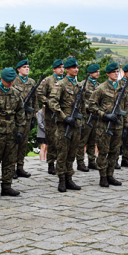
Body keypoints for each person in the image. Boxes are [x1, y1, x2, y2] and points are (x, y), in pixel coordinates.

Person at [0, 67, 26, 198]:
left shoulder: (16, 93)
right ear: (2, 79)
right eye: (8, 81)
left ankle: (7, 186)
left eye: (12, 81)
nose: (11, 83)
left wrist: (20, 130)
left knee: (9, 161)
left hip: (11, 132)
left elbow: (20, 112)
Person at [49, 58, 84, 192]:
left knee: (72, 152)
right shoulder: (61, 84)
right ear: (67, 70)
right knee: (62, 153)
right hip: (64, 125)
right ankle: (61, 180)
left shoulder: (80, 85)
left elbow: (83, 105)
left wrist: (82, 120)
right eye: (73, 67)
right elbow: (53, 103)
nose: (76, 70)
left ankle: (69, 178)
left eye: (77, 67)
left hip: (76, 124)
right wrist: (64, 117)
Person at [90, 62, 128, 187]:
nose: (116, 74)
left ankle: (110, 175)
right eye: (113, 72)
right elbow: (91, 105)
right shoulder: (101, 88)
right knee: (103, 151)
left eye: (117, 72)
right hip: (104, 126)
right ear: (107, 74)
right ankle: (103, 176)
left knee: (114, 151)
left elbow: (125, 106)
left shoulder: (122, 87)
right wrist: (104, 115)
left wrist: (126, 124)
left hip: (118, 125)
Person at [36, 59, 64, 175]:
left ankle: (61, 164)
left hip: (62, 114)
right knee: (52, 140)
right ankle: (51, 163)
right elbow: (39, 93)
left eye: (63, 67)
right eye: (59, 67)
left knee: (62, 139)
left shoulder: (65, 81)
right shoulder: (47, 81)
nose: (61, 69)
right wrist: (48, 102)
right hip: (50, 116)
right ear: (54, 69)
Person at [13, 59, 37, 178]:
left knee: (23, 143)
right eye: (24, 67)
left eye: (27, 67)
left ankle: (20, 167)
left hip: (27, 117)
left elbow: (35, 101)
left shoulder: (32, 82)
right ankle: (11, 167)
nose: (27, 68)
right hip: (16, 118)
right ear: (18, 69)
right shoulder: (13, 81)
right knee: (14, 143)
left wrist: (34, 117)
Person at [76, 63, 100, 172]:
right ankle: (80, 162)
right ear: (90, 73)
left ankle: (92, 161)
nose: (98, 73)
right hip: (86, 116)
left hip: (95, 116)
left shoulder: (99, 86)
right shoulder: (82, 84)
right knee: (82, 141)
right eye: (96, 72)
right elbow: (79, 99)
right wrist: (87, 107)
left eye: (98, 71)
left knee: (92, 140)